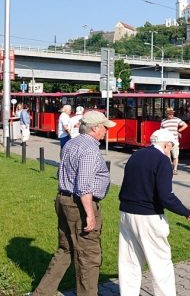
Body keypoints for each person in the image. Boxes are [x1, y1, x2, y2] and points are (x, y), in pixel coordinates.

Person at [31, 111, 115, 296]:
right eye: (104, 127)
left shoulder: (72, 143)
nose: (106, 131)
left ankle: (42, 292)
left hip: (64, 200)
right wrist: (90, 215)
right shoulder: (89, 148)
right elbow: (84, 185)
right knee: (88, 255)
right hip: (79, 205)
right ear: (95, 128)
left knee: (66, 249)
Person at [118, 128, 190, 296]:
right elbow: (166, 197)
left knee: (129, 260)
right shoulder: (162, 161)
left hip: (126, 212)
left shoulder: (136, 155)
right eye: (171, 146)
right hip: (148, 215)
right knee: (160, 262)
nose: (171, 150)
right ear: (167, 145)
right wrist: (187, 212)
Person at [160, 107, 187, 175]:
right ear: (167, 114)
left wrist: (178, 131)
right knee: (167, 157)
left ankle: (175, 169)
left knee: (175, 156)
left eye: (172, 114)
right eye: (170, 114)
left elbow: (185, 125)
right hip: (166, 141)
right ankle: (169, 168)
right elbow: (161, 131)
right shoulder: (163, 121)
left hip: (174, 141)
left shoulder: (177, 120)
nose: (171, 115)